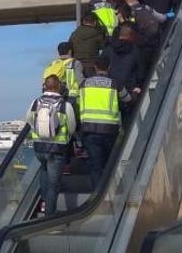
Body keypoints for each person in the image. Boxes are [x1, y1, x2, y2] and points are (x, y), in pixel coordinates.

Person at [27, 75, 76, 216]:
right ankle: (49, 216)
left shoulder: (36, 103)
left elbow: (29, 119)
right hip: (57, 148)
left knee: (44, 172)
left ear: (45, 86)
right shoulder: (64, 105)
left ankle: (43, 201)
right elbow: (72, 126)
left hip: (39, 147)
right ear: (59, 86)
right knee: (53, 185)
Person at [78, 56, 131, 187]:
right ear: (109, 67)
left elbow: (79, 103)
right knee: (110, 165)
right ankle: (109, 192)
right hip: (109, 130)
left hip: (89, 130)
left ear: (95, 67)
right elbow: (128, 99)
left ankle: (97, 195)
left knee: (96, 167)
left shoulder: (84, 84)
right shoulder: (115, 84)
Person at [126, 0, 170, 67]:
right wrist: (168, 15)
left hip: (143, 48)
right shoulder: (146, 7)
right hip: (157, 41)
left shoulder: (128, 12)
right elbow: (162, 18)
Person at [105, 24, 147, 102]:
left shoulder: (108, 49)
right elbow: (141, 72)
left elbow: (101, 67)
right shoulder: (136, 51)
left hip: (111, 89)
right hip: (129, 90)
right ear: (129, 35)